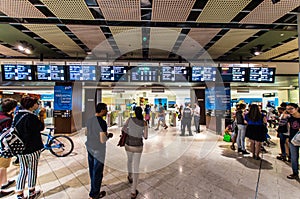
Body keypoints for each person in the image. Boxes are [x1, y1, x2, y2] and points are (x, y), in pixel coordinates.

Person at [14, 97, 45, 199]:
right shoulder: (31, 117)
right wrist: (41, 116)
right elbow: (41, 127)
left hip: (20, 148)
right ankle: (31, 192)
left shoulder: (17, 115)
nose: (38, 105)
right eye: (37, 103)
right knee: (32, 168)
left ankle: (19, 193)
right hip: (32, 148)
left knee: (23, 169)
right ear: (32, 105)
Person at [86, 103, 113, 199]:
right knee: (97, 171)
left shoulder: (89, 120)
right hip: (98, 149)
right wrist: (108, 136)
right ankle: (94, 194)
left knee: (92, 169)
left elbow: (86, 133)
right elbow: (102, 140)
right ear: (101, 110)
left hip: (89, 147)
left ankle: (94, 187)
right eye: (106, 109)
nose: (106, 111)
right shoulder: (102, 122)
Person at [123, 107, 148, 199]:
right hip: (138, 146)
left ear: (134, 112)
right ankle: (133, 191)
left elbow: (124, 128)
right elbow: (145, 136)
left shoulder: (130, 119)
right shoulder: (144, 122)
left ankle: (129, 176)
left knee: (129, 161)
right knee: (136, 167)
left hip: (128, 144)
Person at [0, 98, 17, 198]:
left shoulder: (2, 115)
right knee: (2, 166)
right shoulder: (7, 120)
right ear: (12, 108)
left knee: (4, 166)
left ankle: (5, 182)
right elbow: (9, 135)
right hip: (2, 147)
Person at [286, 103, 300, 180]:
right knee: (294, 157)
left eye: (291, 108)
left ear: (296, 108)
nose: (289, 110)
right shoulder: (289, 118)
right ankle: (295, 173)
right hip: (293, 139)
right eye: (288, 109)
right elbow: (287, 127)